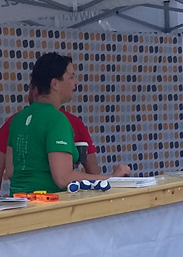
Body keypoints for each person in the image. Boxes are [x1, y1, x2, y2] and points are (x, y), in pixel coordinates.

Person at [7, 53, 128, 194]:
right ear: (55, 84)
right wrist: (112, 178)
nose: (76, 82)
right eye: (71, 77)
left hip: (19, 203)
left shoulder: (18, 119)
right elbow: (63, 178)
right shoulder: (57, 119)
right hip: (47, 203)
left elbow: (10, 171)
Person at [0, 85, 101, 196]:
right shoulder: (66, 120)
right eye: (71, 77)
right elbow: (91, 170)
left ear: (35, 90)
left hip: (20, 200)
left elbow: (0, 170)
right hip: (54, 201)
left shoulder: (16, 120)